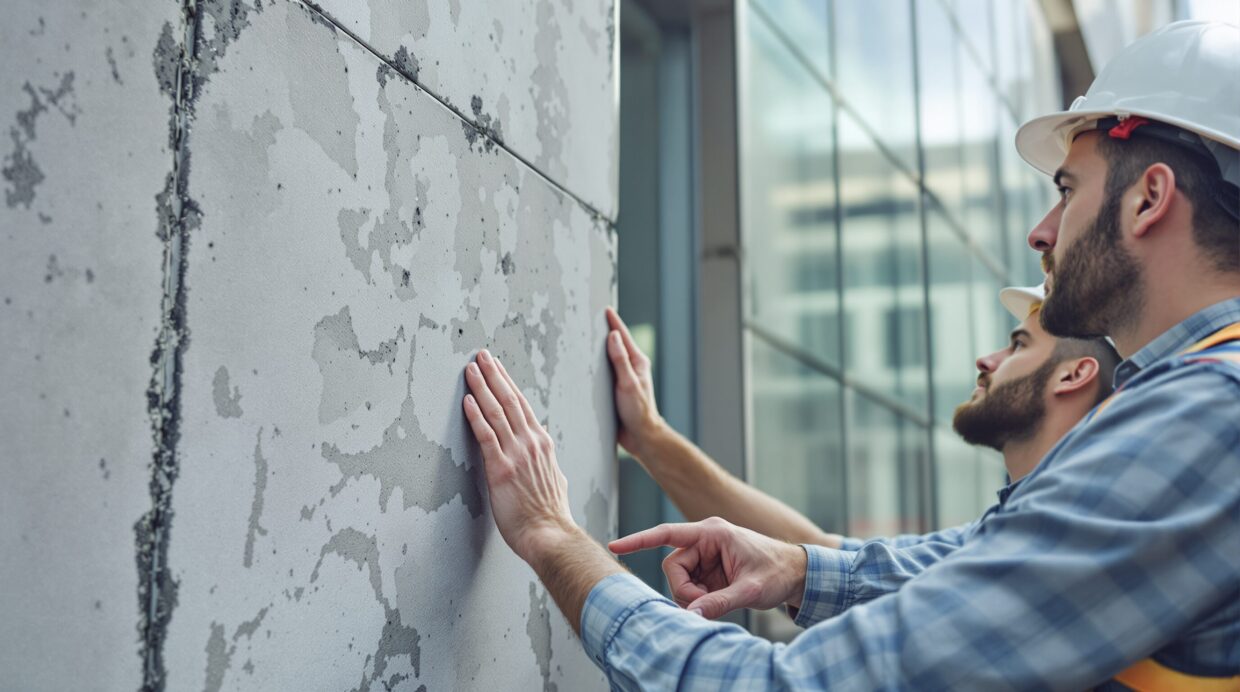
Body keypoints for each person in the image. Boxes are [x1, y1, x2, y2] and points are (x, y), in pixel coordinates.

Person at [459, 20, 1240, 689]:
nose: (1041, 231)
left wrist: (555, 539)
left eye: (1067, 189)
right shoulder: (1185, 408)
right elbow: (952, 562)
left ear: (1149, 197)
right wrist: (794, 569)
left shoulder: (1205, 419)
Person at [600, 290, 1118, 566]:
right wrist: (649, 436)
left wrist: (560, 542)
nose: (987, 359)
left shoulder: (1062, 546)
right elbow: (818, 552)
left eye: (1019, 344)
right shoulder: (1000, 535)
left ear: (1074, 374)